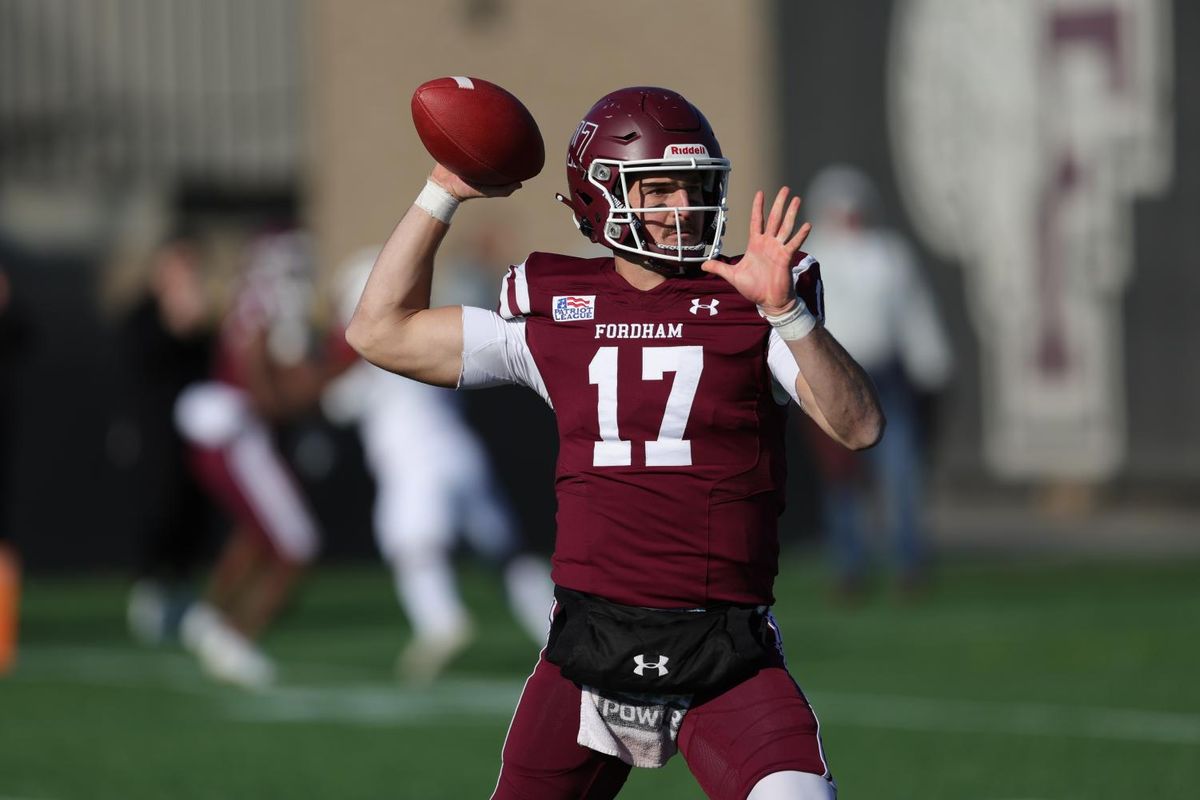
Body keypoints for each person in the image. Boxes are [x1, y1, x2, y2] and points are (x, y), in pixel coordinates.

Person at [346, 87, 883, 799]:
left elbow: (858, 425)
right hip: (588, 650)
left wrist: (785, 312)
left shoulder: (749, 300)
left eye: (692, 188)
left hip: (722, 649)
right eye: (656, 188)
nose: (681, 209)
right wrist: (442, 190)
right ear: (599, 198)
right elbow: (380, 331)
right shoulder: (555, 304)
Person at [325, 248, 554, 684]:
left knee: (413, 547)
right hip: (462, 455)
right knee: (506, 555)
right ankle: (553, 628)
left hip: (417, 465)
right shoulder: (422, 343)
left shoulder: (374, 359)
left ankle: (440, 621)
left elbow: (336, 405)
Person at [176, 229, 349, 688]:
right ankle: (233, 639)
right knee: (297, 541)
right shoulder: (264, 310)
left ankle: (207, 616)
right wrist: (333, 371)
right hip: (237, 435)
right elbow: (268, 397)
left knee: (259, 532)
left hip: (231, 433)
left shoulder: (250, 305)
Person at [801, 164, 953, 599]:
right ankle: (849, 565)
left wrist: (931, 361)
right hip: (833, 378)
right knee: (841, 478)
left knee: (900, 472)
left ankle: (909, 561)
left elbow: (914, 313)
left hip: (885, 376)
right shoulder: (811, 257)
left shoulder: (889, 254)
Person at [106, 224, 220, 644]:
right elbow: (142, 358)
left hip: (196, 436)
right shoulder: (142, 315)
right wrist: (176, 323)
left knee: (195, 509)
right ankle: (151, 589)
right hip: (154, 433)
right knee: (158, 505)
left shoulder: (206, 320)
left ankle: (186, 589)